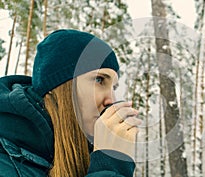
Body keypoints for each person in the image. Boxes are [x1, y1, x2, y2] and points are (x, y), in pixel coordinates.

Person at [0, 29, 141, 177]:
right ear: (60, 87)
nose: (111, 100)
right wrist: (110, 167)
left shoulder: (89, 157)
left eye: (114, 87)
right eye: (99, 80)